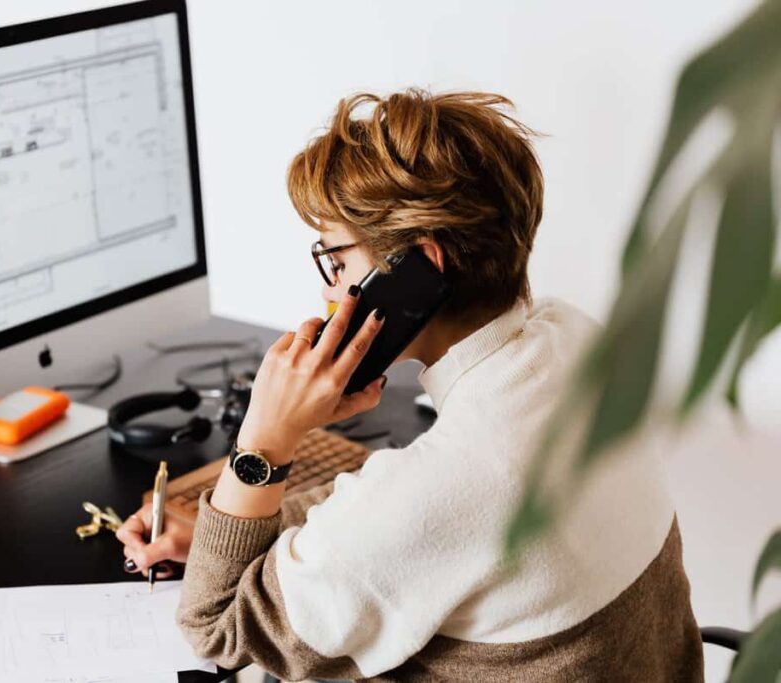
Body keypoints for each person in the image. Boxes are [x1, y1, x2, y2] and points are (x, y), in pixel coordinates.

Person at [116, 89, 703, 681]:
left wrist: (265, 439)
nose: (328, 291)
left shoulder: (448, 481)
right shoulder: (576, 339)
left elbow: (216, 626)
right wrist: (254, 532)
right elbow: (428, 522)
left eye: (337, 262)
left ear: (418, 268)